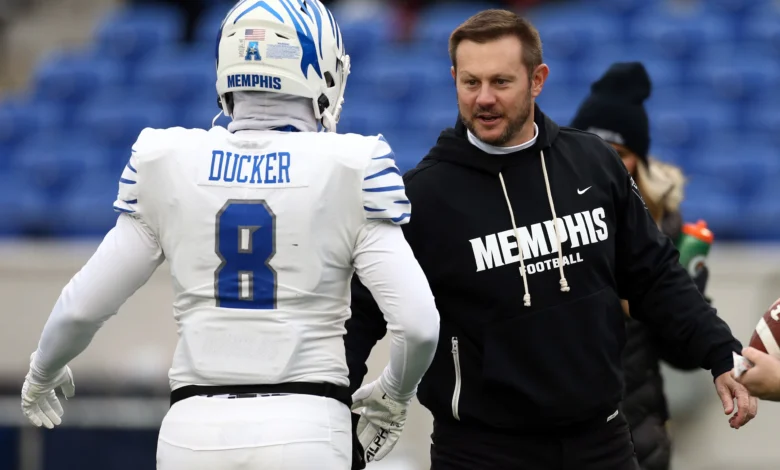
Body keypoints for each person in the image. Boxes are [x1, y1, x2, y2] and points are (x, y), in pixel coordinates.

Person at [19, 1, 440, 469]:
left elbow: (81, 307)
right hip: (307, 427)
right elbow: (419, 325)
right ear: (318, 67)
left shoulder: (169, 160)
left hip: (193, 433)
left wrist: (43, 370)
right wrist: (394, 395)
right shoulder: (352, 165)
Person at [344, 9, 757, 470]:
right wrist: (330, 406)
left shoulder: (594, 162)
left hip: (602, 442)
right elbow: (361, 313)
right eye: (470, 82)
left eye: (501, 82)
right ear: (453, 80)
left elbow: (655, 273)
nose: (483, 99)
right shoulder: (423, 195)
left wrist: (720, 352)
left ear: (537, 80)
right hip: (482, 452)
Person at [569, 62, 712, 470]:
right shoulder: (534, 215)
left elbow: (686, 356)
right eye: (591, 145)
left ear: (638, 162)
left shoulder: (664, 230)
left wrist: (685, 298)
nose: (602, 162)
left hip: (637, 434)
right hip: (551, 432)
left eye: (619, 154)